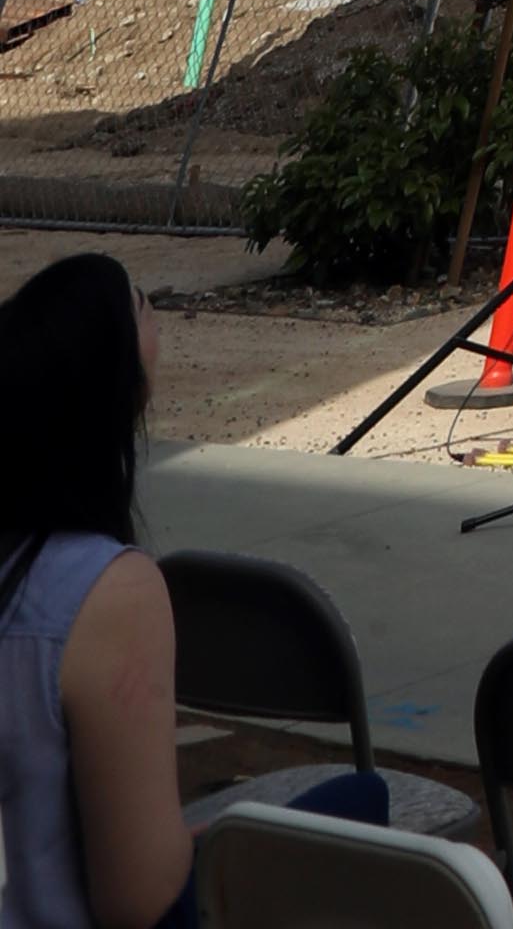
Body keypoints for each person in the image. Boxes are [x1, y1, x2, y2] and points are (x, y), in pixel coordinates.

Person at [0, 250, 246, 929]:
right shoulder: (107, 590)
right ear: (119, 382)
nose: (155, 314)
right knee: (358, 800)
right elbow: (135, 899)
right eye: (140, 303)